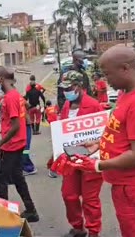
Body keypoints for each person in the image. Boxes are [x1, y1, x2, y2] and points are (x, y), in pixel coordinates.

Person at [67, 46, 135, 237]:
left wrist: (98, 165)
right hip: (129, 186)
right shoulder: (127, 93)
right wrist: (98, 143)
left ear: (124, 68)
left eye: (108, 74)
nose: (107, 80)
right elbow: (122, 130)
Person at [55, 71, 104, 237]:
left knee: (90, 200)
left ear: (78, 86)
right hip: (71, 157)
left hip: (90, 157)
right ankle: (77, 227)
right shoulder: (67, 106)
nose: (65, 92)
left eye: (68, 88)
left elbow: (102, 134)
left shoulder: (93, 105)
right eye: (63, 89)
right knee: (69, 195)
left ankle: (93, 231)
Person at [0, 66, 39, 222]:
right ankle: (31, 210)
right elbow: (4, 107)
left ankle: (4, 215)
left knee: (0, 179)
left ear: (0, 80)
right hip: (17, 143)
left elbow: (16, 125)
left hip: (11, 144)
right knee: (17, 177)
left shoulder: (11, 98)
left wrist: (0, 143)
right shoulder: (14, 95)